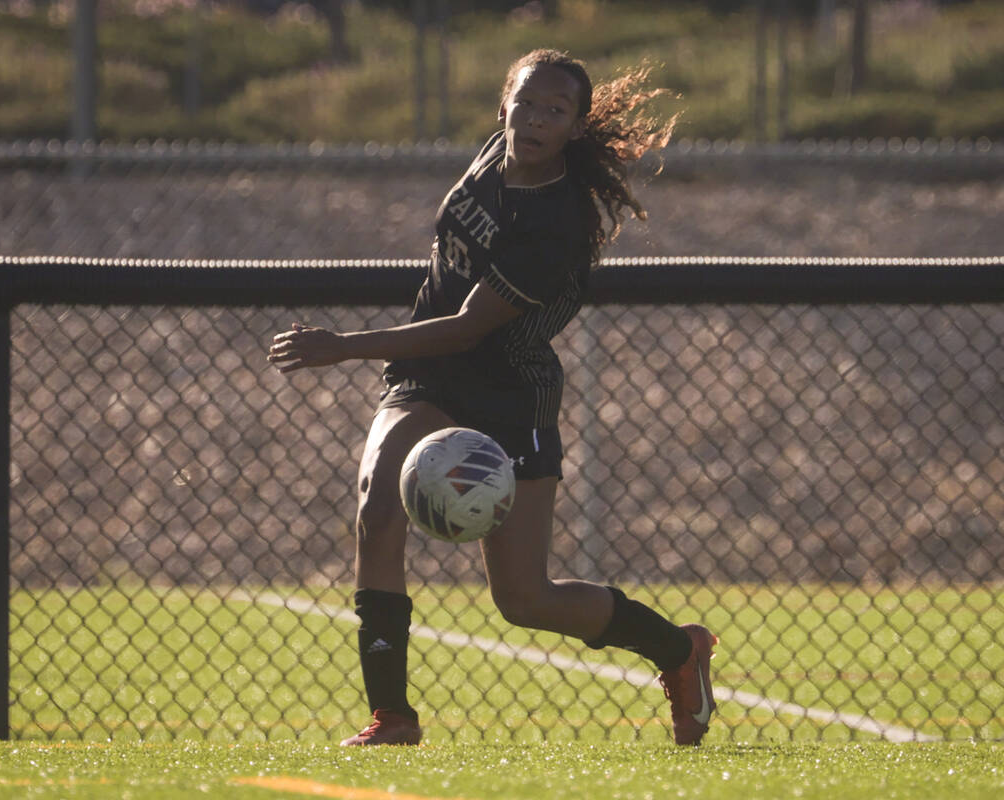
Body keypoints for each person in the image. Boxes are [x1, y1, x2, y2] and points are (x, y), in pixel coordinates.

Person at [267, 49, 717, 747]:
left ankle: (677, 652)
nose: (535, 120)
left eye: (554, 111)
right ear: (502, 105)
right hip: (431, 378)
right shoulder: (493, 153)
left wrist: (344, 345)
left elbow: (467, 328)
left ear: (573, 127)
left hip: (510, 393)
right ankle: (393, 717)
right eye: (526, 103)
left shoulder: (558, 222)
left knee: (524, 600)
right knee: (377, 507)